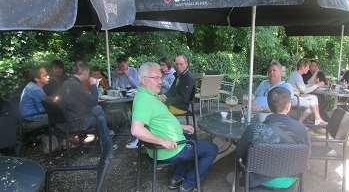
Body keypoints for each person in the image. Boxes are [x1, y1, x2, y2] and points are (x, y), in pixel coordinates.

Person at [131, 62, 218, 192]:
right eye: (155, 78)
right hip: (167, 149)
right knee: (212, 149)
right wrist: (163, 141)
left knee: (191, 136)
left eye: (160, 77)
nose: (160, 81)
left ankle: (177, 177)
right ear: (143, 80)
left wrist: (181, 126)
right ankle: (188, 183)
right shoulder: (144, 100)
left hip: (168, 143)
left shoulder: (148, 95)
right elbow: (136, 130)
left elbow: (159, 120)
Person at [236, 87, 310, 190]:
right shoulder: (301, 129)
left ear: (269, 106)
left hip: (258, 182)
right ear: (289, 106)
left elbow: (239, 154)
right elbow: (305, 157)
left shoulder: (254, 129)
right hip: (288, 183)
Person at [59, 61, 113, 153]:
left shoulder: (67, 83)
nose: (89, 75)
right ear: (83, 72)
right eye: (88, 72)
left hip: (68, 120)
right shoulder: (75, 85)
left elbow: (81, 103)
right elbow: (94, 101)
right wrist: (93, 85)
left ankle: (107, 143)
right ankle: (107, 145)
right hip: (76, 123)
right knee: (99, 111)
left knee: (99, 114)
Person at [288, 60, 327, 125]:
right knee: (312, 105)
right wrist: (317, 85)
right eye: (308, 67)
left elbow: (303, 87)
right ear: (303, 67)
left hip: (296, 96)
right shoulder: (297, 76)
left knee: (314, 98)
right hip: (294, 99)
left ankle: (317, 119)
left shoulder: (296, 74)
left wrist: (313, 85)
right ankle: (300, 123)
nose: (309, 69)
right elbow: (304, 91)